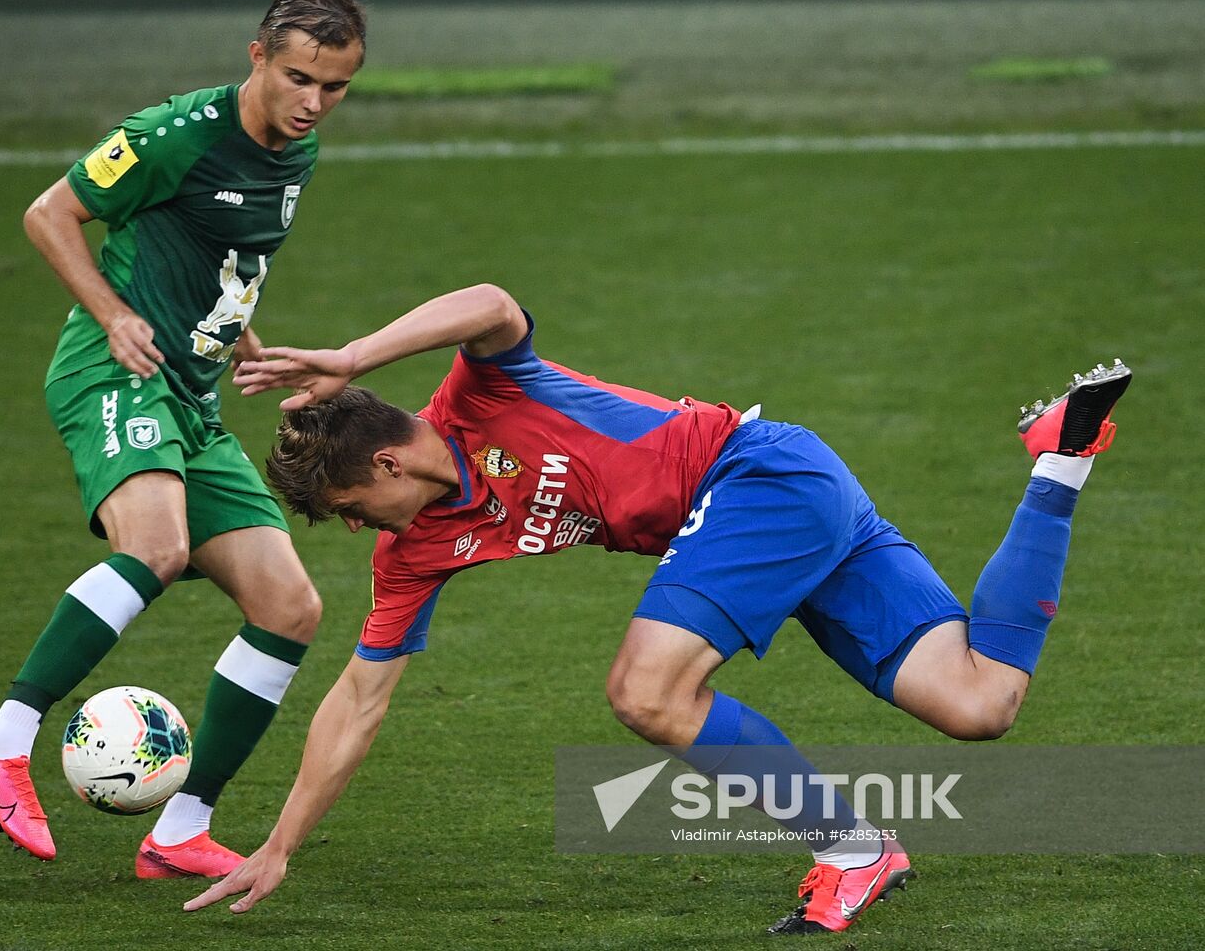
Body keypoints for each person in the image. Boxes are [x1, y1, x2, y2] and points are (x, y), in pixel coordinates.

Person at [184, 283, 1130, 932]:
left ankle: (851, 848)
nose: (359, 531)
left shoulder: (484, 390)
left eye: (351, 510)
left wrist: (351, 354)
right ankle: (1059, 463)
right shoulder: (415, 549)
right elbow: (359, 697)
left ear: (387, 461)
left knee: (646, 691)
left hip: (759, 472)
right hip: (778, 514)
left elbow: (490, 305)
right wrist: (279, 846)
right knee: (978, 704)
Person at [0, 0, 367, 879]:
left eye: (334, 88)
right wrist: (110, 315)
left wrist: (238, 335)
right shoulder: (171, 135)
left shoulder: (300, 151)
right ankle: (1, 744)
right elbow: (48, 213)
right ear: (256, 55)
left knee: (290, 608)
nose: (313, 103)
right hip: (116, 371)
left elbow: (227, 253)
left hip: (193, 396)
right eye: (299, 78)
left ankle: (179, 829)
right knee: (158, 547)